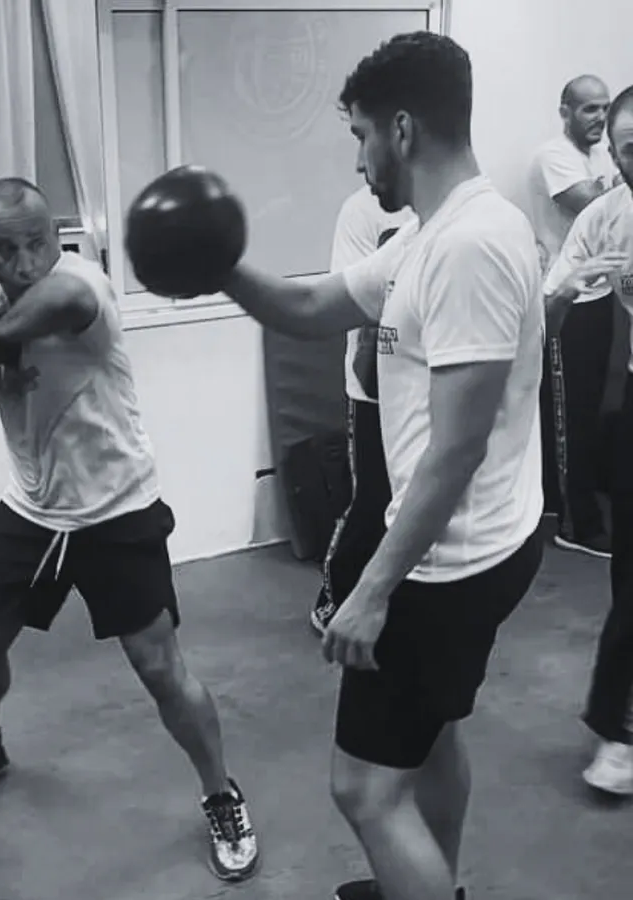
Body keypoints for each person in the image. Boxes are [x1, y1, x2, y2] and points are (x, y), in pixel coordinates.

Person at [219, 33, 544, 900]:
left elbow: (456, 448)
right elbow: (309, 305)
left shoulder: (472, 245)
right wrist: (220, 265)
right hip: (466, 549)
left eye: (362, 135)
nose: (359, 159)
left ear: (402, 129)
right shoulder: (432, 237)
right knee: (429, 736)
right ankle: (433, 879)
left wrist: (370, 590)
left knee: (362, 789)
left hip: (447, 567)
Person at [0, 177, 258, 883]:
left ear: (57, 235)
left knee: (160, 669)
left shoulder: (81, 282)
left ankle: (221, 793)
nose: (24, 262)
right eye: (3, 250)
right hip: (34, 512)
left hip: (115, 511)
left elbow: (65, 304)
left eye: (36, 242)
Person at [543, 83, 633, 797]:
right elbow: (549, 309)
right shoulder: (606, 215)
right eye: (629, 149)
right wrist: (569, 288)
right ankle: (618, 728)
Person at [312, 186, 415, 636]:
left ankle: (403, 599)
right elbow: (351, 297)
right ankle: (334, 597)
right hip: (372, 383)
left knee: (420, 496)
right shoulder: (360, 210)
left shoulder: (453, 211)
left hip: (425, 385)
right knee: (373, 499)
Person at [529, 75, 619, 558]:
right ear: (565, 112)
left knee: (586, 410)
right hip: (564, 301)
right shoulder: (553, 155)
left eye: (604, 108)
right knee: (568, 415)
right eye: (589, 109)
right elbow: (593, 204)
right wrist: (612, 187)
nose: (599, 117)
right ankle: (574, 521)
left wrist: (610, 184)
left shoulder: (603, 157)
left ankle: (566, 501)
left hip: (599, 294)